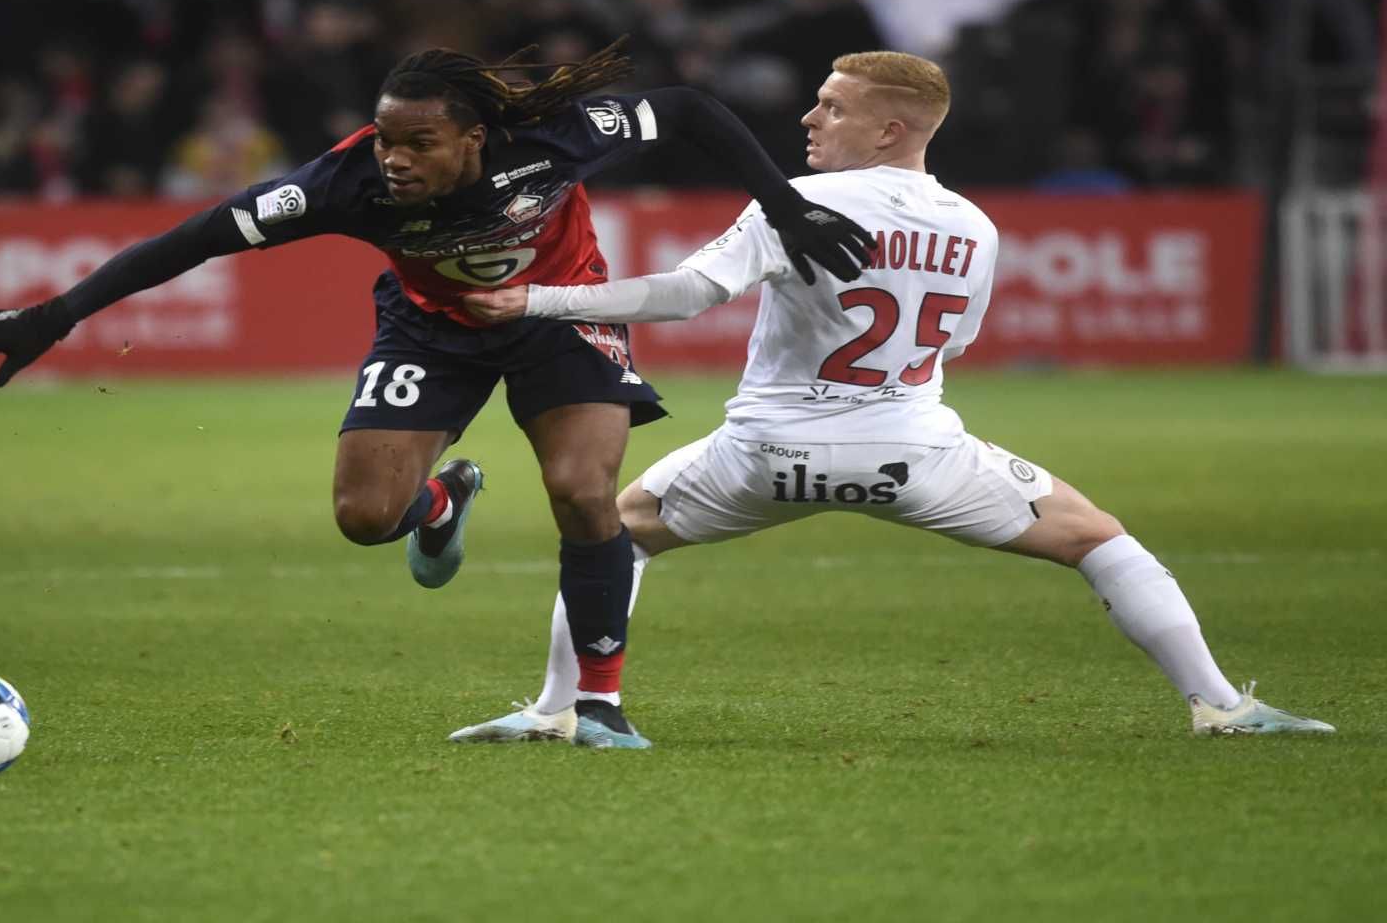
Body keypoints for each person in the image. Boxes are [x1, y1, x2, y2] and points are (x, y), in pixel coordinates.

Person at [0, 38, 874, 749]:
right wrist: (57, 313)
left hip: (558, 313)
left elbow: (690, 109)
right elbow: (195, 238)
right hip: (431, 329)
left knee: (583, 491)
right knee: (364, 517)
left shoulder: (556, 140)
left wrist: (786, 205)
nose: (396, 159)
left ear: (475, 137)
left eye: (420, 143)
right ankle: (439, 502)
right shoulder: (342, 186)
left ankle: (599, 704)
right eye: (387, 139)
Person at [452, 51, 1334, 744]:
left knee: (614, 535)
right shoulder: (973, 225)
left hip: (765, 455)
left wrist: (539, 299)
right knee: (1099, 540)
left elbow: (687, 295)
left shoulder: (798, 202)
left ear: (889, 130)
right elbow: (954, 344)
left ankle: (560, 710)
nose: (809, 118)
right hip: (914, 455)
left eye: (832, 107)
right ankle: (1221, 706)